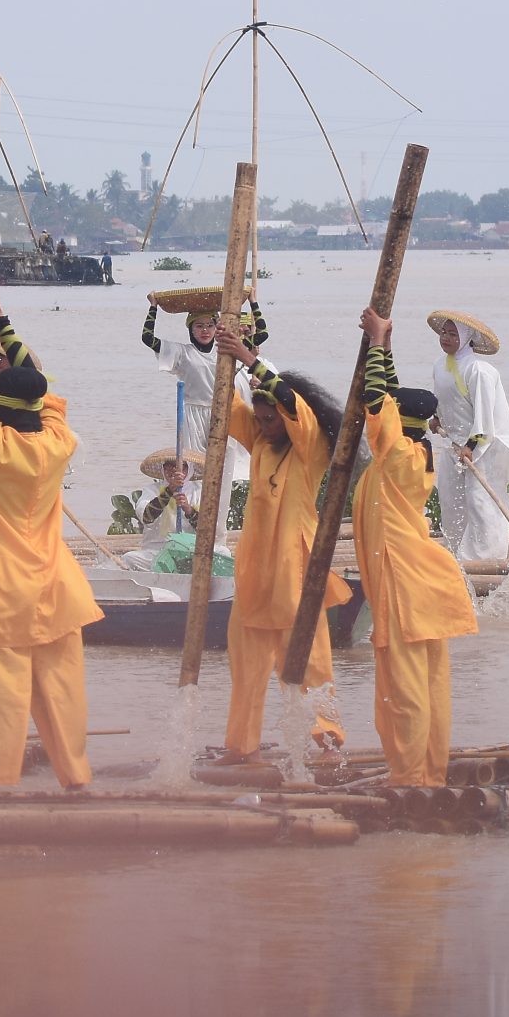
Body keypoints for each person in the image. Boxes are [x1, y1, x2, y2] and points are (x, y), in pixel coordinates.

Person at [0, 290, 103, 789]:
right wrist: (3, 321)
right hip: (56, 588)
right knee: (63, 694)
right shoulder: (59, 440)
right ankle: (76, 778)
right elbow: (33, 385)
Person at [211, 320, 351, 761]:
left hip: (296, 566)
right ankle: (241, 745)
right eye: (261, 418)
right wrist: (224, 355)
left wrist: (252, 358)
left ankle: (325, 738)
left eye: (272, 419)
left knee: (309, 658)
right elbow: (226, 407)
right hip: (255, 571)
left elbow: (291, 405)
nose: (266, 425)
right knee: (246, 663)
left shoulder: (311, 447)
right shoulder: (262, 444)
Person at [356, 309, 479, 787]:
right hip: (424, 581)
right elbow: (384, 397)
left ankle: (410, 779)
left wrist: (379, 342)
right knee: (430, 686)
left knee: (404, 691)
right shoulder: (414, 450)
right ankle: (430, 772)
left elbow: (374, 397)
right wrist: (382, 342)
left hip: (406, 586)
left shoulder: (394, 456)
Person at [427, 309, 509, 563]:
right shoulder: (440, 366)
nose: (446, 338)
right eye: (444, 332)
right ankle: (457, 555)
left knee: (481, 502)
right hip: (454, 444)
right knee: (451, 500)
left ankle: (486, 559)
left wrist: (471, 446)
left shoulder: (480, 371)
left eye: (453, 334)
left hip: (484, 445)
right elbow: (445, 400)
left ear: (465, 340)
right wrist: (438, 418)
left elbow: (485, 416)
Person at [141, 295, 259, 496]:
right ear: (190, 330)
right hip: (193, 413)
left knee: (227, 459)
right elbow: (147, 338)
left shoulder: (225, 350)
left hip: (222, 411)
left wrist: (253, 302)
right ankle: (193, 505)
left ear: (216, 328)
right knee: (194, 464)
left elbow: (261, 336)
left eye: (209, 325)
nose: (205, 330)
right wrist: (153, 307)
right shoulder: (181, 352)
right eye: (199, 326)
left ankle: (226, 501)